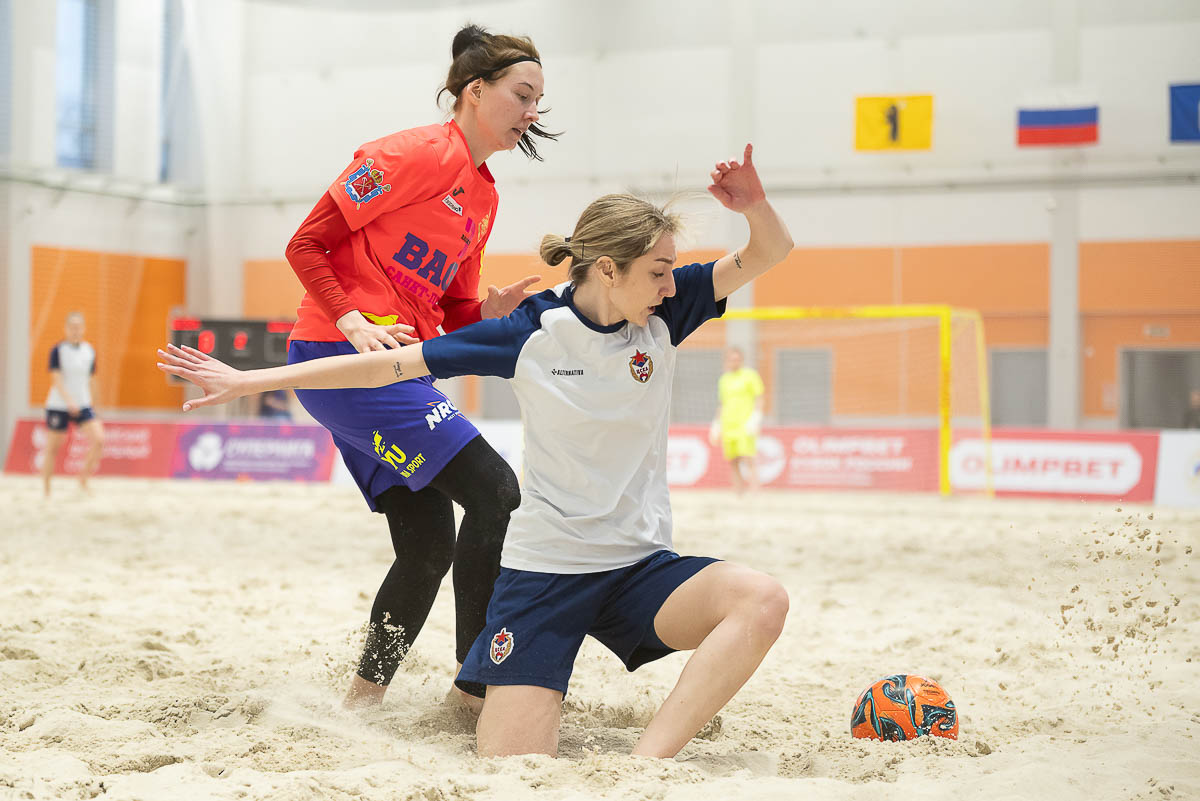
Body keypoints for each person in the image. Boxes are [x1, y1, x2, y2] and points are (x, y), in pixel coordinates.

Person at [158, 142, 793, 759]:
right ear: (607, 268)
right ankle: (471, 681)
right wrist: (251, 381)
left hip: (637, 568)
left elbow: (771, 251)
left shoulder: (666, 311)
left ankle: (647, 765)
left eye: (671, 269)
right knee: (511, 760)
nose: (670, 283)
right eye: (657, 270)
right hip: (545, 576)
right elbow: (386, 367)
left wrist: (754, 206)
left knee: (761, 600)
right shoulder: (532, 331)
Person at [280, 24, 556, 710]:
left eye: (539, 101)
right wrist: (351, 320)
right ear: (475, 90)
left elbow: (452, 314)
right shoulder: (408, 154)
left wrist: (488, 313)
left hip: (396, 368)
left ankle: (361, 702)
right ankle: (477, 687)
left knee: (429, 545)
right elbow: (306, 243)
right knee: (497, 491)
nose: (532, 112)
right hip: (342, 357)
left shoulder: (484, 195)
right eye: (522, 95)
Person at [42, 312, 105, 497]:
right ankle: (47, 490)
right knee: (53, 448)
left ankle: (82, 479)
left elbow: (92, 379)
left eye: (78, 327)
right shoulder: (58, 350)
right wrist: (69, 401)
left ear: (83, 329)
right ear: (66, 328)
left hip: (83, 403)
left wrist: (96, 405)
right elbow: (56, 379)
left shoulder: (89, 350)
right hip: (58, 405)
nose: (75, 330)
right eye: (72, 327)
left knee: (99, 440)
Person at [709, 346, 764, 494]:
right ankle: (739, 492)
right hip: (728, 425)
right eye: (732, 359)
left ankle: (755, 491)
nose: (735, 362)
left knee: (748, 458)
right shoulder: (724, 380)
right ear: (727, 361)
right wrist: (716, 425)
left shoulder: (750, 375)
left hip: (745, 424)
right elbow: (722, 403)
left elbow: (759, 398)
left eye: (737, 359)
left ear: (742, 360)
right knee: (733, 460)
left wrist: (756, 418)